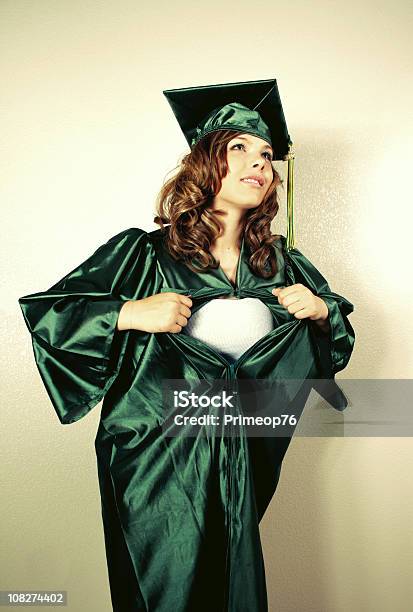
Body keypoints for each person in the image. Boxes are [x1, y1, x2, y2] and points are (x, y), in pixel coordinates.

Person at [18, 79, 355, 612]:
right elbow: (50, 315)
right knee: (165, 592)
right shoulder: (144, 254)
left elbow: (331, 350)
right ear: (205, 162)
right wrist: (128, 312)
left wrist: (323, 312)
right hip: (157, 456)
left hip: (240, 455)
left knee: (231, 585)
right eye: (239, 147)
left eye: (267, 155)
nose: (259, 163)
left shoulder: (282, 265)